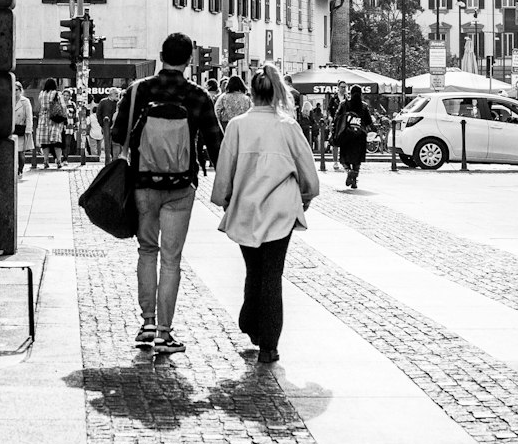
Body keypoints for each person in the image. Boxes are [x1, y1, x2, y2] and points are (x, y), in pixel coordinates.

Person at [111, 32, 223, 355]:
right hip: (180, 188)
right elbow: (217, 145)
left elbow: (118, 133)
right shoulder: (198, 96)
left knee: (147, 251)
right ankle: (164, 332)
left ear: (161, 56)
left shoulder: (138, 92)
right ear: (189, 60)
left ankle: (146, 323)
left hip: (143, 184)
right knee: (171, 260)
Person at [210, 69, 320, 363]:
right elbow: (307, 166)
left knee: (254, 268)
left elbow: (225, 167)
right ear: (276, 93)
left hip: (247, 205)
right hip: (281, 207)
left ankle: (251, 321)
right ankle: (269, 343)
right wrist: (306, 195)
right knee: (273, 273)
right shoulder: (288, 125)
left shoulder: (236, 126)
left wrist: (223, 198)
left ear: (252, 94)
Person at [332, 84, 374, 189]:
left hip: (346, 135)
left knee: (344, 158)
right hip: (360, 135)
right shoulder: (364, 106)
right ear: (361, 94)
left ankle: (348, 171)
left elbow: (336, 118)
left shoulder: (344, 104)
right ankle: (355, 180)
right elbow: (369, 121)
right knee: (357, 159)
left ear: (350, 93)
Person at [36, 77, 68, 168]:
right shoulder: (57, 93)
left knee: (45, 142)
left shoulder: (41, 94)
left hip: (43, 119)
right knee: (57, 141)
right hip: (55, 120)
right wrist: (64, 116)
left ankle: (45, 160)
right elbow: (63, 106)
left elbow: (40, 106)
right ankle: (58, 160)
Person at [13, 80, 34, 178]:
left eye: (16, 89)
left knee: (20, 151)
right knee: (13, 151)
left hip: (21, 128)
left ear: (20, 90)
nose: (14, 91)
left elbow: (29, 116)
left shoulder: (25, 101)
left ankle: (20, 169)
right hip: (12, 129)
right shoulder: (9, 100)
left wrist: (28, 130)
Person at [96, 89, 118, 164]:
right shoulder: (103, 102)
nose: (117, 95)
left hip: (115, 126)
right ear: (111, 94)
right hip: (106, 125)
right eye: (116, 94)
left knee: (114, 143)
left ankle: (113, 158)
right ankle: (108, 160)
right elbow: (98, 113)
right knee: (107, 143)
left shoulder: (117, 103)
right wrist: (101, 124)